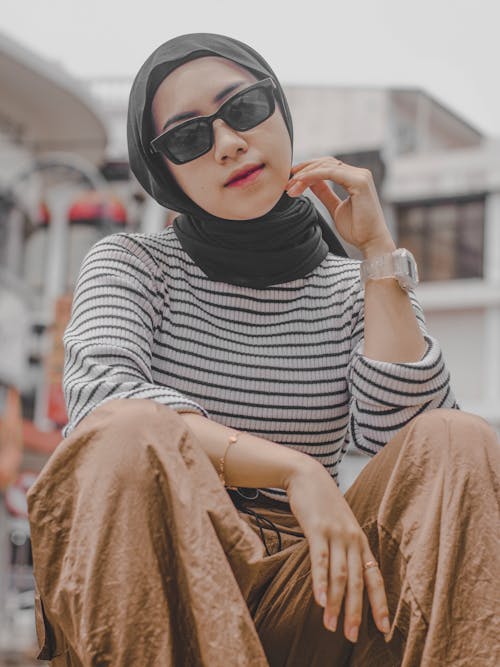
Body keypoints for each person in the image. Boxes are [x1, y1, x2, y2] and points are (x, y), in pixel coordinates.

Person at [27, 33, 500, 666]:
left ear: (279, 110)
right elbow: (102, 406)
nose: (228, 143)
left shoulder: (347, 286)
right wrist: (292, 468)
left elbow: (411, 448)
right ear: (163, 173)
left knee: (458, 438)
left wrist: (377, 255)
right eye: (189, 138)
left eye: (244, 108)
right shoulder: (134, 266)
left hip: (314, 591)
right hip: (155, 577)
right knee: (126, 431)